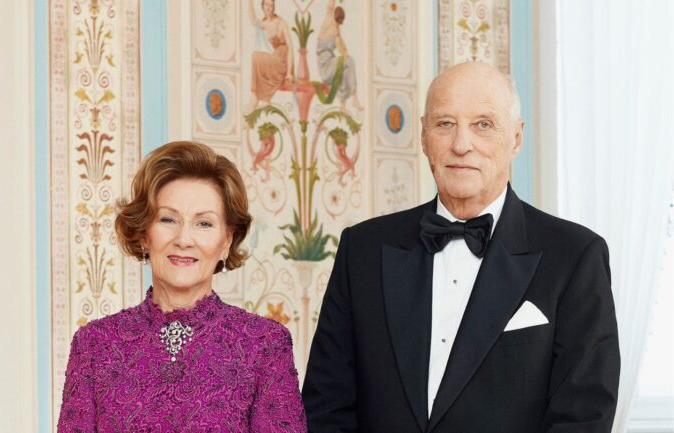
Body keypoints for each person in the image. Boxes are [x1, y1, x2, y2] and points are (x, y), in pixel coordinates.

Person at [302, 61, 620, 432]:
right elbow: (326, 406)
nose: (461, 145)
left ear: (516, 138)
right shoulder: (363, 250)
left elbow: (583, 417)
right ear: (423, 137)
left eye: (483, 125)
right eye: (445, 124)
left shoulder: (575, 256)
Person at [58, 141, 307, 432]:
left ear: (227, 240)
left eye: (204, 223)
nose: (184, 239)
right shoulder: (94, 344)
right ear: (143, 234)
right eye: (168, 219)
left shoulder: (265, 344)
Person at [316, 0, 363, 112]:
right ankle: (355, 98)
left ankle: (343, 105)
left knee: (345, 68)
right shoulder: (330, 24)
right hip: (325, 67)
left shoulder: (333, 25)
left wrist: (344, 51)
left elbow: (343, 50)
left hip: (328, 63)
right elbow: (343, 51)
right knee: (349, 61)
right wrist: (345, 52)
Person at [248, 0, 294, 112]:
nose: (269, 8)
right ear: (262, 7)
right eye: (267, 5)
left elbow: (290, 48)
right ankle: (257, 97)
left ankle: (262, 98)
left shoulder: (280, 22)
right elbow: (253, 19)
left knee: (256, 56)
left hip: (282, 61)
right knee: (256, 57)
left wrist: (289, 73)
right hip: (274, 57)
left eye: (271, 5)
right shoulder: (264, 23)